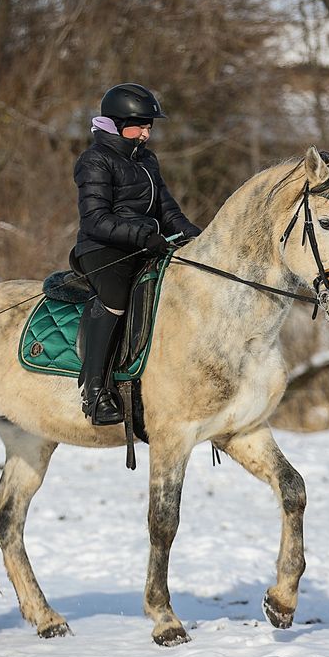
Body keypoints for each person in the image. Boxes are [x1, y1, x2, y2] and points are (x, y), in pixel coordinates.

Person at [71, 82, 201, 426]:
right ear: (114, 124)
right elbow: (96, 219)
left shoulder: (147, 160)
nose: (146, 134)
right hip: (102, 249)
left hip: (144, 245)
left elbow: (166, 208)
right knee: (115, 298)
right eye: (140, 126)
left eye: (149, 126)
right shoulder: (94, 160)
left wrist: (198, 238)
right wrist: (144, 234)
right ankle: (95, 391)